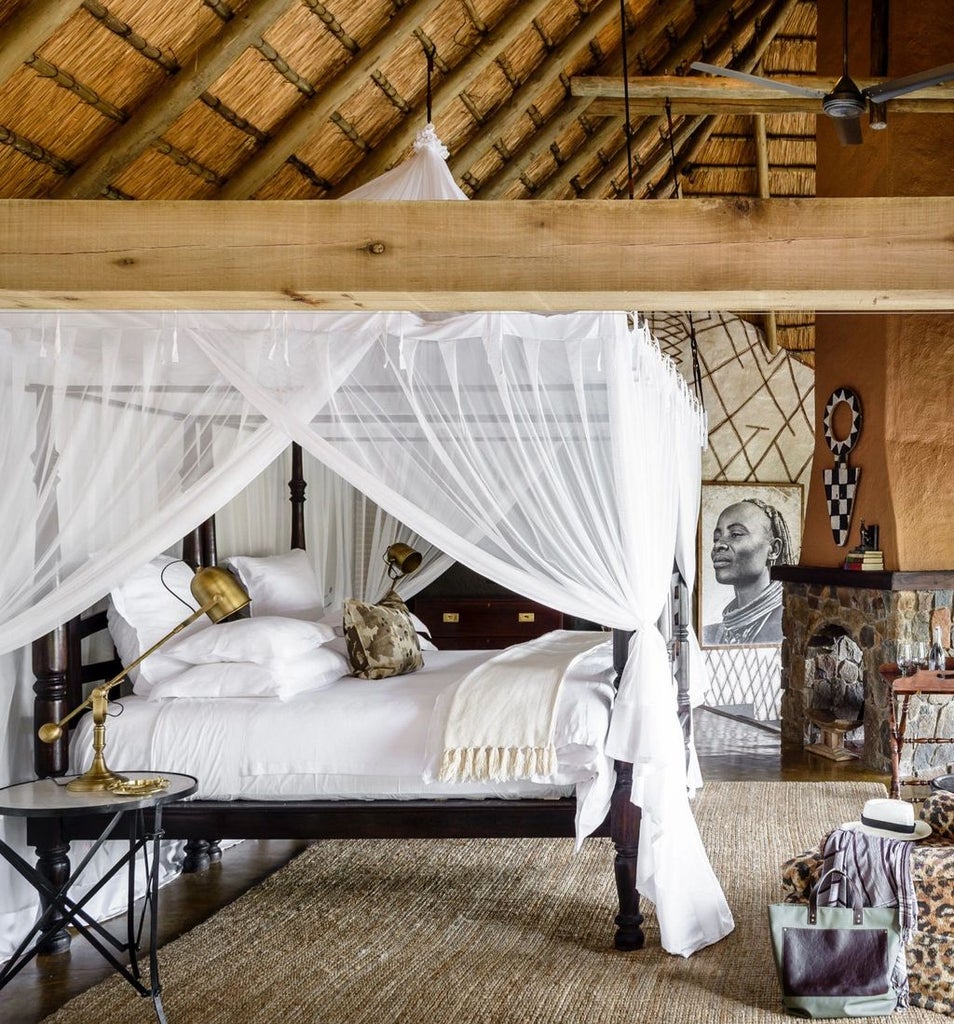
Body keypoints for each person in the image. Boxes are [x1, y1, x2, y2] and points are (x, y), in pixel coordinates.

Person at [703, 497, 794, 645]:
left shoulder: (788, 626)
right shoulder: (709, 634)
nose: (718, 545)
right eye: (716, 538)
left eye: (736, 535)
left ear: (773, 550)